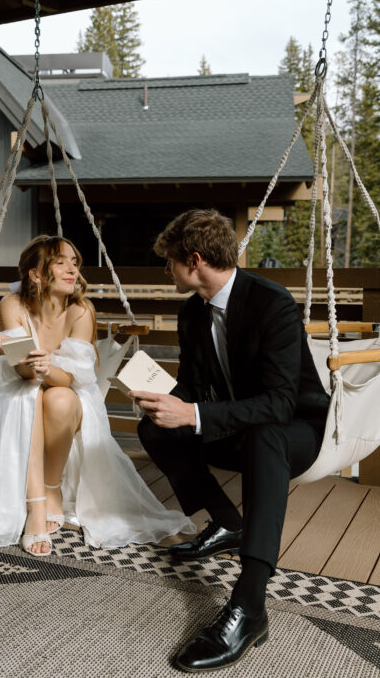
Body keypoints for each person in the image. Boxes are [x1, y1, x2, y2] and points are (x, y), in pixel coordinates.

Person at [132, 209, 330, 672]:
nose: (167, 271)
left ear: (195, 260)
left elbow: (281, 403)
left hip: (296, 430)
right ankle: (228, 522)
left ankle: (249, 605)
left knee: (265, 437)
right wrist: (165, 401)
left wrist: (195, 413)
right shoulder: (192, 312)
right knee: (153, 429)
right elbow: (194, 387)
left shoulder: (271, 302)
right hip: (240, 424)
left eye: (170, 263)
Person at [0, 235, 194, 559]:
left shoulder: (80, 311)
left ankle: (51, 489)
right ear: (36, 274)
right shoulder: (11, 306)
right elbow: (24, 375)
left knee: (58, 398)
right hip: (24, 390)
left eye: (74, 262)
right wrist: (14, 354)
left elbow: (71, 378)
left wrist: (43, 367)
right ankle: (36, 507)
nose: (72, 269)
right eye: (61, 262)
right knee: (29, 396)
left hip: (71, 395)